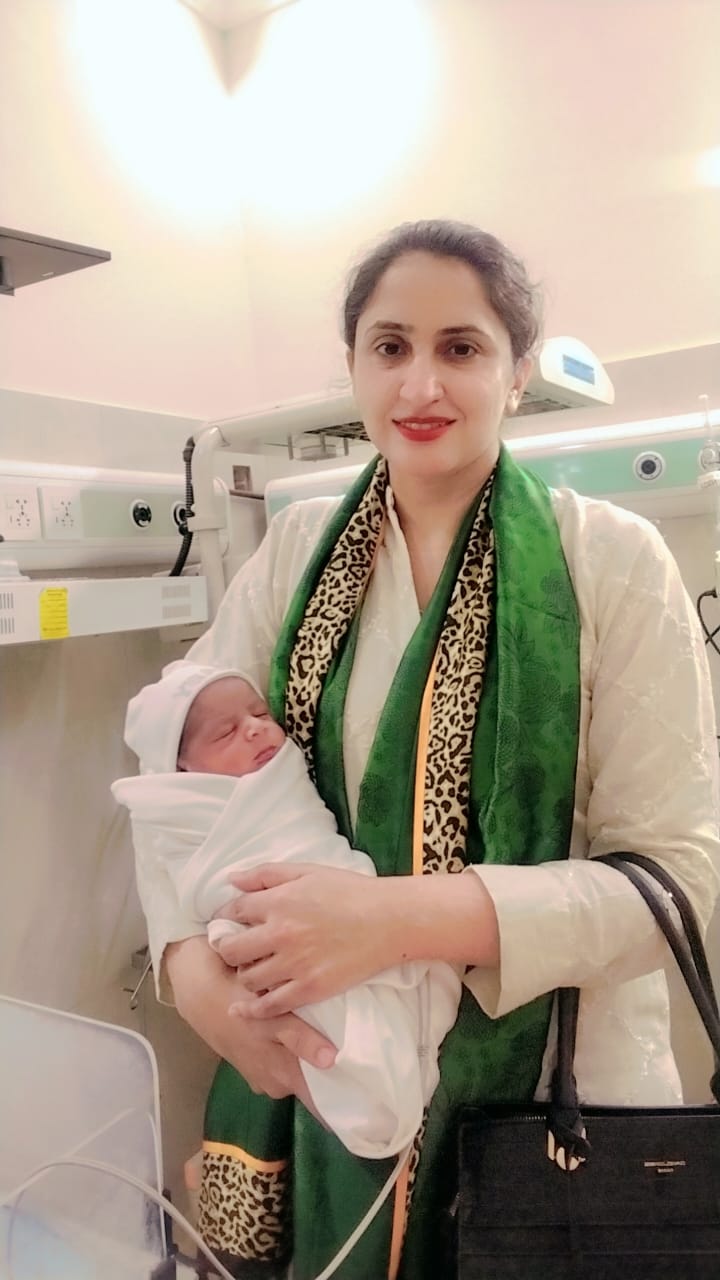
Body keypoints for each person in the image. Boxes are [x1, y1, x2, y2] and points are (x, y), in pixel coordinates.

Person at [129, 220, 720, 1280]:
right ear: (356, 365)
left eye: (462, 347)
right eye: (391, 346)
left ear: (517, 371)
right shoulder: (297, 553)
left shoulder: (612, 563)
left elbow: (678, 884)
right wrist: (192, 972)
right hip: (324, 1076)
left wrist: (391, 921)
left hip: (553, 1109)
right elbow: (174, 774)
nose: (421, 384)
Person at [112, 661, 460, 1159]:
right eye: (227, 732)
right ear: (182, 770)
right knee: (331, 1023)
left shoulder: (277, 777)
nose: (256, 728)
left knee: (386, 1006)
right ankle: (369, 1088)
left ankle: (382, 1068)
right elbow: (170, 847)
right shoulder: (183, 807)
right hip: (265, 938)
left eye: (260, 714)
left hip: (380, 910)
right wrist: (199, 984)